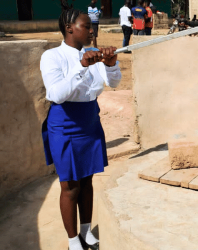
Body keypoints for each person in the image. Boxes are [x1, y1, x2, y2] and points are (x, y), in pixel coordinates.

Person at [40, 1, 121, 249]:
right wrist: (82, 66)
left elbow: (114, 83)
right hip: (65, 124)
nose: (91, 31)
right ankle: (73, 239)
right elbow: (56, 93)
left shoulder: (94, 52)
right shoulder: (52, 56)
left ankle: (86, 231)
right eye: (86, 26)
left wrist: (111, 64)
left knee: (87, 181)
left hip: (89, 122)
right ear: (69, 28)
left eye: (91, 27)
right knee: (70, 185)